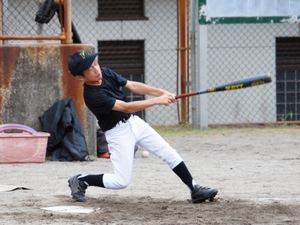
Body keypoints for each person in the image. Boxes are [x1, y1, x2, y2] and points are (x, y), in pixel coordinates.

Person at [67, 49, 218, 203]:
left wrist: (161, 93)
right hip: (117, 132)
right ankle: (81, 180)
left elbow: (132, 86)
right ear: (80, 77)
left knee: (168, 153)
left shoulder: (105, 72)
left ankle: (194, 189)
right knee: (121, 181)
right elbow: (125, 107)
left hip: (134, 122)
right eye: (90, 69)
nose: (96, 69)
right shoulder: (92, 96)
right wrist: (157, 101)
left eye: (95, 64)